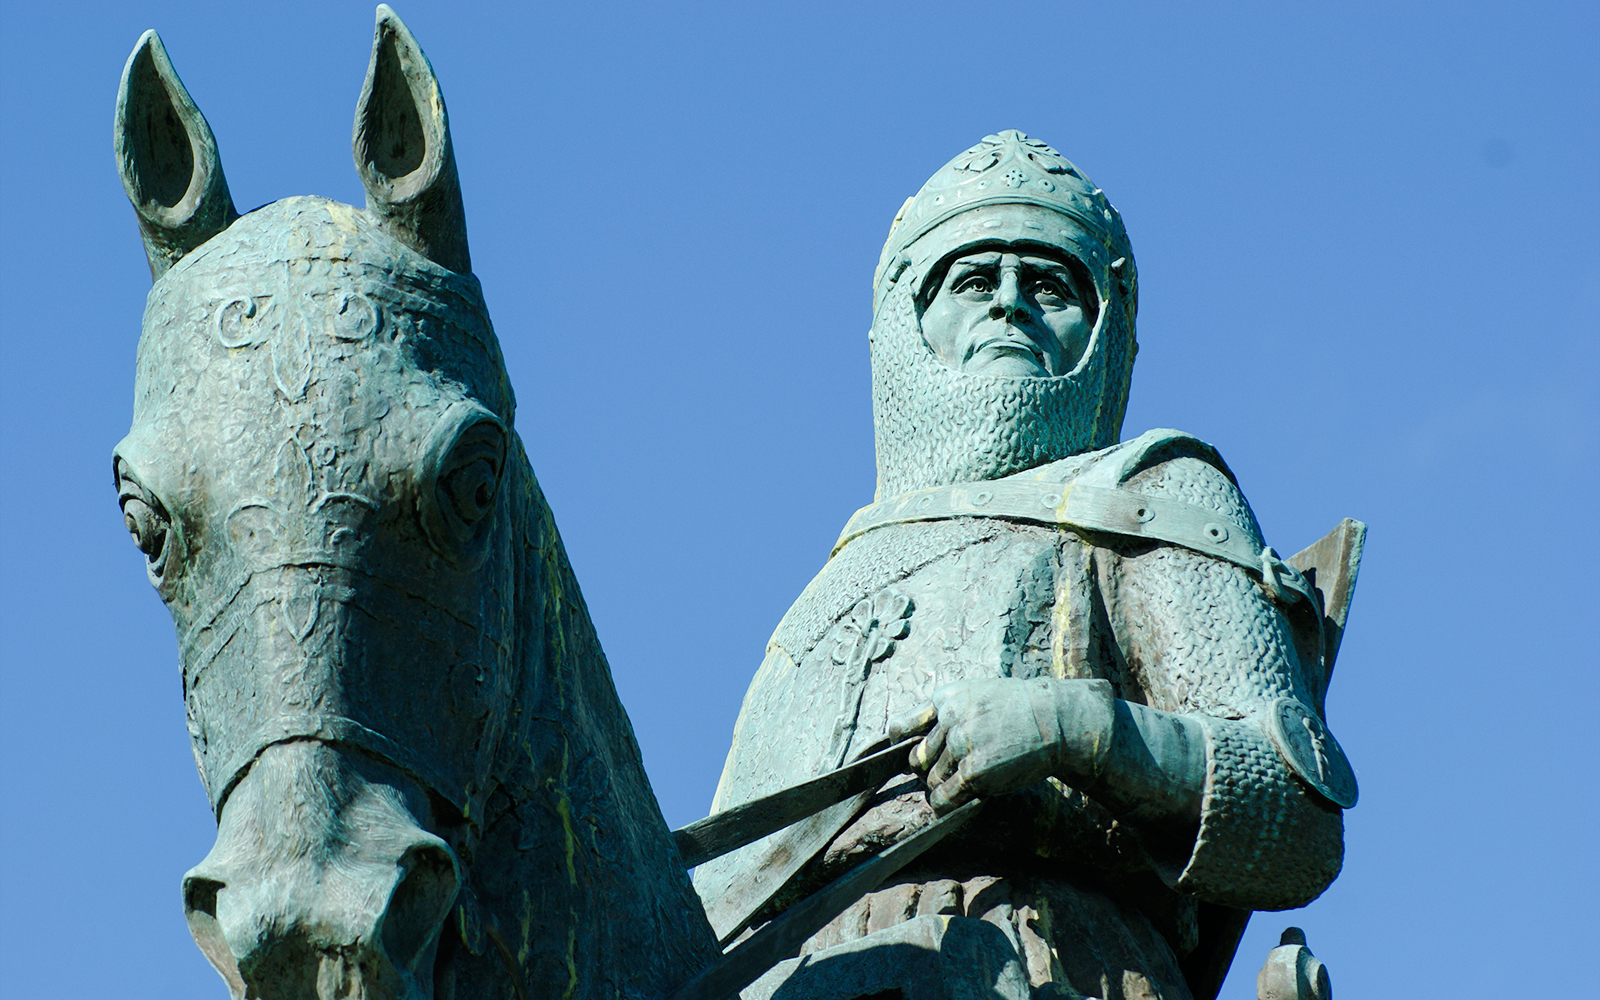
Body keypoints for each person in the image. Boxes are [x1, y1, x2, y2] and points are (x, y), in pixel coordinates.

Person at [694, 131, 1356, 1000]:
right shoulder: (829, 588)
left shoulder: (1149, 489)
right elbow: (715, 899)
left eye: (1050, 285)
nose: (1009, 304)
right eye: (973, 280)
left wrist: (1073, 726)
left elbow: (1296, 821)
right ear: (905, 321)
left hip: (1054, 958)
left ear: (1106, 327)